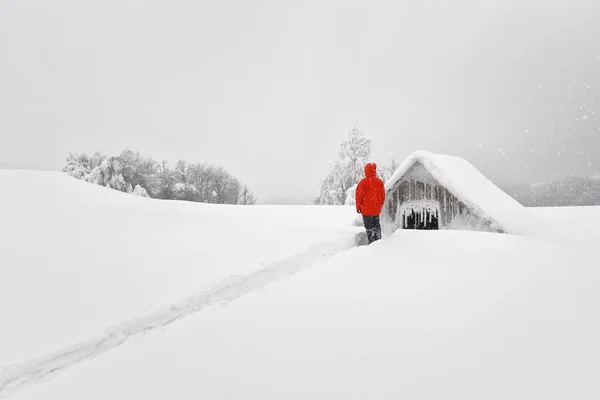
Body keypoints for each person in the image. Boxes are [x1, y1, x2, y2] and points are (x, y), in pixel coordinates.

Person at [355, 163, 386, 244]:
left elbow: (359, 196)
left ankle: (371, 242)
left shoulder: (363, 182)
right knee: (376, 225)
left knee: (369, 227)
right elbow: (383, 196)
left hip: (366, 210)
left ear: (366, 171)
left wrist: (358, 207)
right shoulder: (379, 182)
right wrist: (379, 205)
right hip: (376, 210)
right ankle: (378, 241)